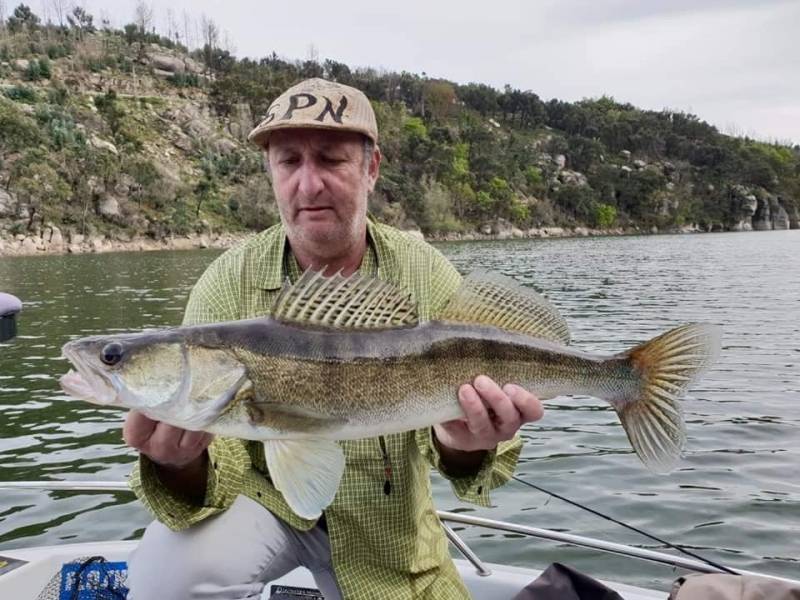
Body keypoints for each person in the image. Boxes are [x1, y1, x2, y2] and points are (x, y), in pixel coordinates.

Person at [124, 78, 544, 599]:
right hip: (268, 507)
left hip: (389, 529)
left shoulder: (425, 274)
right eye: (289, 161)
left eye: (330, 159)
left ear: (371, 169)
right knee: (164, 576)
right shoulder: (225, 282)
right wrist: (179, 463)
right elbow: (224, 464)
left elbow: (474, 461)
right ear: (270, 172)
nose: (308, 184)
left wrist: (462, 445)